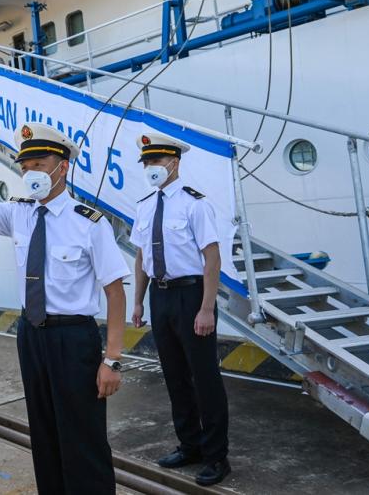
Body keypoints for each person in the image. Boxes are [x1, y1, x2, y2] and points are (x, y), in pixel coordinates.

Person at [0, 123, 128, 494]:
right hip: (31, 336)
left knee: (83, 436)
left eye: (39, 162)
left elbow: (115, 292)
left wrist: (112, 359)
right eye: (25, 165)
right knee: (45, 432)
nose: (30, 171)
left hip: (74, 338)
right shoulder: (19, 213)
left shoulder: (89, 223)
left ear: (61, 167)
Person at [130, 132, 230, 486]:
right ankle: (190, 445)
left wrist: (207, 308)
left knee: (205, 378)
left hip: (192, 297)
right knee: (174, 375)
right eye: (147, 163)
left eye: (156, 162)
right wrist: (138, 300)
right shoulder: (143, 205)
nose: (151, 168)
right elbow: (142, 256)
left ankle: (217, 457)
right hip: (160, 295)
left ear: (174, 163)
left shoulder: (194, 204)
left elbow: (212, 258)